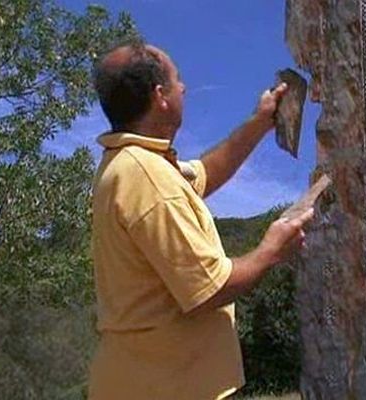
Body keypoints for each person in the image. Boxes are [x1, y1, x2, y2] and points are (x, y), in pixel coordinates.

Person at [88, 40, 314, 400]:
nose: (184, 88)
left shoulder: (134, 165)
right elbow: (210, 289)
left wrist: (260, 123)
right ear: (161, 95)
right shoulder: (147, 177)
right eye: (178, 80)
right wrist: (271, 249)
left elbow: (205, 173)